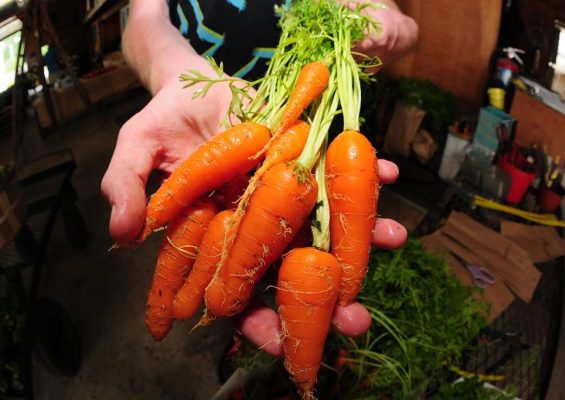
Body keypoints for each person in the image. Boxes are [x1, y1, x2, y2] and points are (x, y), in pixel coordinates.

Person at [101, 0, 418, 357]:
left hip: (320, 144)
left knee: (289, 263)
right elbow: (145, 18)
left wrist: (393, 27)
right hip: (224, 122)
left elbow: (406, 28)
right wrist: (174, 72)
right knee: (229, 248)